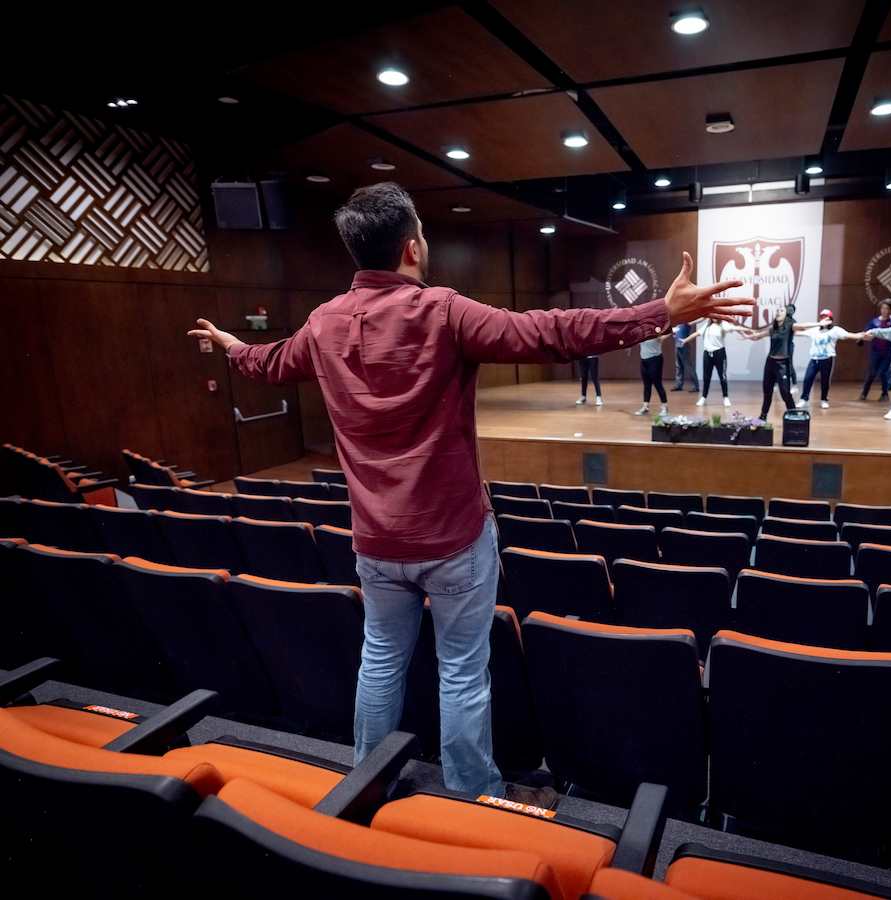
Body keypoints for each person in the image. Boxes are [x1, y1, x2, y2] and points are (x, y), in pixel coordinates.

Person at [186, 183, 748, 806]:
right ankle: (470, 798)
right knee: (459, 673)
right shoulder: (443, 310)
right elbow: (549, 333)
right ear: (411, 246)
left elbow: (266, 363)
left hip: (375, 540)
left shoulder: (322, 324)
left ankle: (365, 787)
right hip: (453, 539)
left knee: (379, 661)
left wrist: (233, 347)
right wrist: (659, 313)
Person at [743, 307, 816, 420]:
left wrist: (819, 323)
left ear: (786, 315)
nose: (778, 312)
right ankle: (763, 416)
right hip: (770, 363)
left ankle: (794, 415)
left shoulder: (790, 327)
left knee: (785, 393)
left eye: (781, 311)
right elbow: (759, 335)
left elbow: (803, 326)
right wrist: (748, 336)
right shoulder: (773, 329)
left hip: (782, 364)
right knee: (767, 391)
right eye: (777, 311)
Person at [795, 309, 866, 409]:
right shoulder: (814, 330)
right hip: (814, 359)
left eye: (827, 318)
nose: (824, 320)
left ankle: (824, 399)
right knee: (808, 379)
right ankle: (804, 399)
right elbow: (797, 332)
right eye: (822, 317)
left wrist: (861, 335)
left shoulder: (835, 330)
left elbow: (849, 335)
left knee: (825, 380)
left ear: (831, 320)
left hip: (827, 359)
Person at [678, 317, 743, 407]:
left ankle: (726, 397)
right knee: (706, 377)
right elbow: (696, 334)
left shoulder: (723, 324)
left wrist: (748, 331)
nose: (715, 318)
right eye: (713, 316)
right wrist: (685, 340)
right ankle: (703, 397)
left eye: (717, 316)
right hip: (707, 354)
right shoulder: (707, 325)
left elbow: (735, 328)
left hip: (719, 353)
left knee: (722, 376)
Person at [860, 300, 891, 402]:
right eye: (882, 308)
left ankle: (885, 394)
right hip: (875, 351)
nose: (884, 311)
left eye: (886, 308)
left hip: (888, 351)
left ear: (890, 310)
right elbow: (866, 332)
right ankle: (864, 393)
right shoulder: (874, 322)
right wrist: (861, 339)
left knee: (883, 372)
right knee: (872, 372)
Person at [634, 334, 671, 416]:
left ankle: (664, 407)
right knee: (647, 385)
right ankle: (645, 407)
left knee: (657, 384)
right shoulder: (641, 333)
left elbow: (663, 337)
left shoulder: (655, 331)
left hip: (655, 359)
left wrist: (663, 336)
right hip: (644, 361)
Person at [671, 321, 700, 391]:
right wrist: (674, 334)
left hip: (684, 346)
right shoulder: (677, 323)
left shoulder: (686, 321)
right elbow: (675, 333)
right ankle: (679, 385)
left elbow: (696, 321)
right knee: (679, 366)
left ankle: (696, 386)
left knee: (688, 366)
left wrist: (704, 317)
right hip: (677, 345)